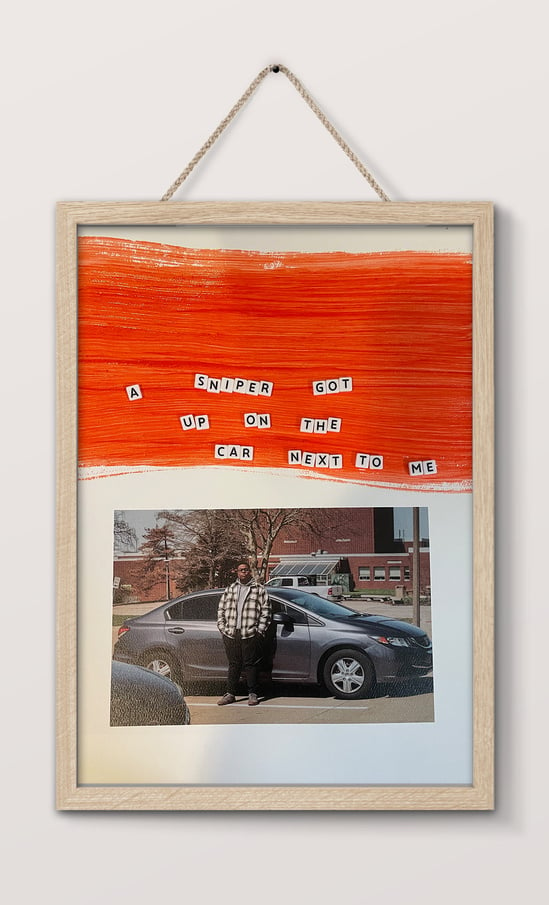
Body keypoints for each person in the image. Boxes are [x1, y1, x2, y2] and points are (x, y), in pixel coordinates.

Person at [216, 561, 271, 706]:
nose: (244, 572)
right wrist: (223, 628)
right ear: (237, 572)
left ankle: (252, 694)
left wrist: (259, 631)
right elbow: (221, 610)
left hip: (250, 633)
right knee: (233, 664)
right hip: (231, 633)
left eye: (246, 570)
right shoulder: (230, 589)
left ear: (250, 572)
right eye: (241, 570)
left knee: (250, 664)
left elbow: (266, 612)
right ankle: (230, 694)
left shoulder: (259, 590)